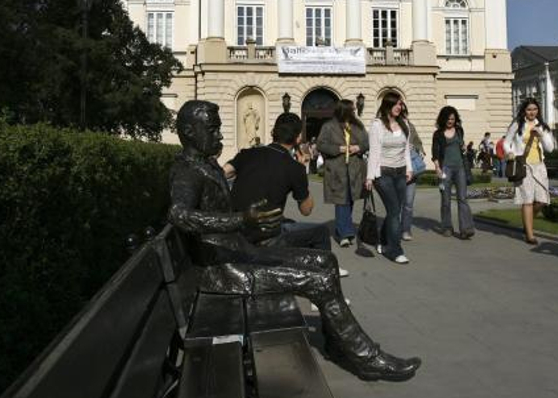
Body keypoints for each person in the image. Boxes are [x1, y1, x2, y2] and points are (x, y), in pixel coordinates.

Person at [169, 100, 421, 380]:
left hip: (240, 252)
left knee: (326, 260)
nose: (219, 136)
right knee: (320, 279)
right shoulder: (187, 171)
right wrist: (243, 219)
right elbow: (179, 214)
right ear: (190, 132)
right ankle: (367, 358)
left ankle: (338, 345)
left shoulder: (207, 164)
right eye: (213, 130)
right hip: (226, 271)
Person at [225, 114, 346, 278]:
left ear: (273, 132)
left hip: (236, 227)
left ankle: (304, 269)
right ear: (297, 139)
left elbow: (224, 172)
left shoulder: (247, 153)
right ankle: (324, 279)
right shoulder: (294, 168)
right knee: (321, 232)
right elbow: (306, 209)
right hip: (266, 235)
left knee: (291, 223)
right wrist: (302, 172)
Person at [365, 91, 413, 264]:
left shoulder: (404, 124)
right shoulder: (377, 125)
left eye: (401, 104)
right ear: (387, 105)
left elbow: (406, 148)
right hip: (383, 173)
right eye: (396, 104)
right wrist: (370, 177)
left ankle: (383, 241)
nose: (399, 107)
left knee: (395, 211)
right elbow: (374, 152)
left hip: (400, 172)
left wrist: (409, 168)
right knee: (394, 211)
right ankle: (394, 250)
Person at [316, 100, 369, 248]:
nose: (353, 112)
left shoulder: (358, 126)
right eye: (351, 109)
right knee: (341, 200)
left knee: (350, 199)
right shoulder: (329, 126)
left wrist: (358, 147)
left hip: (355, 169)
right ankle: (344, 233)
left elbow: (367, 142)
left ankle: (344, 228)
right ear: (343, 110)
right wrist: (337, 149)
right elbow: (321, 144)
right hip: (336, 169)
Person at [504, 98, 555, 244]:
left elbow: (550, 148)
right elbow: (506, 143)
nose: (532, 112)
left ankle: (527, 223)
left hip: (539, 165)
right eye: (529, 109)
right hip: (523, 165)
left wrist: (541, 135)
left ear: (538, 110)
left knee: (542, 200)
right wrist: (510, 152)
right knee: (527, 200)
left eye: (534, 109)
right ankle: (530, 235)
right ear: (524, 111)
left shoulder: (543, 126)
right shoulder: (517, 125)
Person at [431, 106, 475, 240]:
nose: (450, 121)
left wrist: (463, 148)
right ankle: (447, 227)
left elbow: (462, 147)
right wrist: (438, 168)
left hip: (460, 167)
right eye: (448, 119)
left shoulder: (459, 130)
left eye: (453, 119)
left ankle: (466, 229)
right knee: (446, 199)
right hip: (445, 169)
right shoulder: (438, 134)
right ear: (443, 119)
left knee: (462, 198)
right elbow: (435, 152)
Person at [400, 102, 425, 241]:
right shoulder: (390, 126)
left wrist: (418, 149)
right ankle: (395, 228)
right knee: (397, 203)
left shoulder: (410, 126)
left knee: (408, 203)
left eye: (404, 112)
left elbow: (418, 142)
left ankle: (406, 230)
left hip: (412, 168)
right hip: (397, 168)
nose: (402, 114)